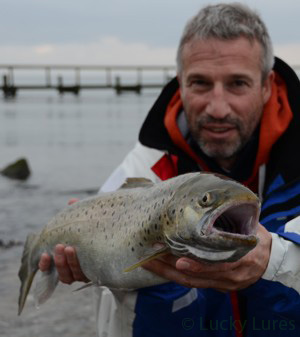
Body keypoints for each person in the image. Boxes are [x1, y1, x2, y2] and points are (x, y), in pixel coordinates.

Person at [39, 3, 300, 336]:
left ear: (266, 86)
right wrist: (95, 266)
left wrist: (276, 261)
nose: (218, 107)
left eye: (237, 84)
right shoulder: (144, 168)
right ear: (180, 84)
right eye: (201, 84)